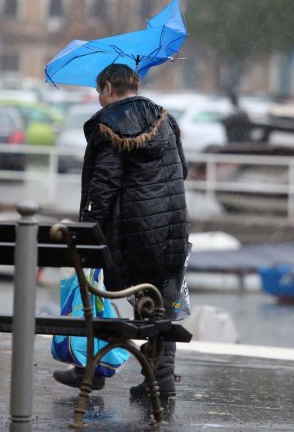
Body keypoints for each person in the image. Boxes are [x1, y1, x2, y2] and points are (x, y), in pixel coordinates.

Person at [52, 63, 190, 397]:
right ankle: (161, 376)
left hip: (130, 233)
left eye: (100, 91)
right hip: (171, 227)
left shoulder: (109, 124)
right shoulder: (165, 120)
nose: (99, 99)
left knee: (96, 295)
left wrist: (89, 229)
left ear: (110, 88)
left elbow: (105, 185)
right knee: (161, 299)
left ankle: (91, 370)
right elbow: (182, 170)